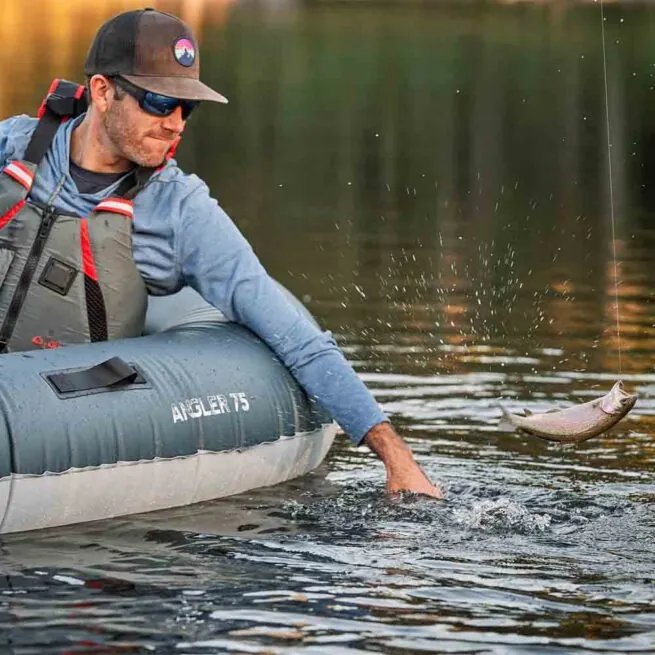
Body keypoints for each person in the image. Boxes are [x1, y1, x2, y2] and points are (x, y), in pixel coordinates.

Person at [0, 8, 442, 498]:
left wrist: (396, 457)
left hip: (58, 416)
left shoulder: (181, 212)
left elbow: (295, 336)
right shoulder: (15, 145)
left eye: (186, 108)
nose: (175, 125)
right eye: (160, 101)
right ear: (103, 91)